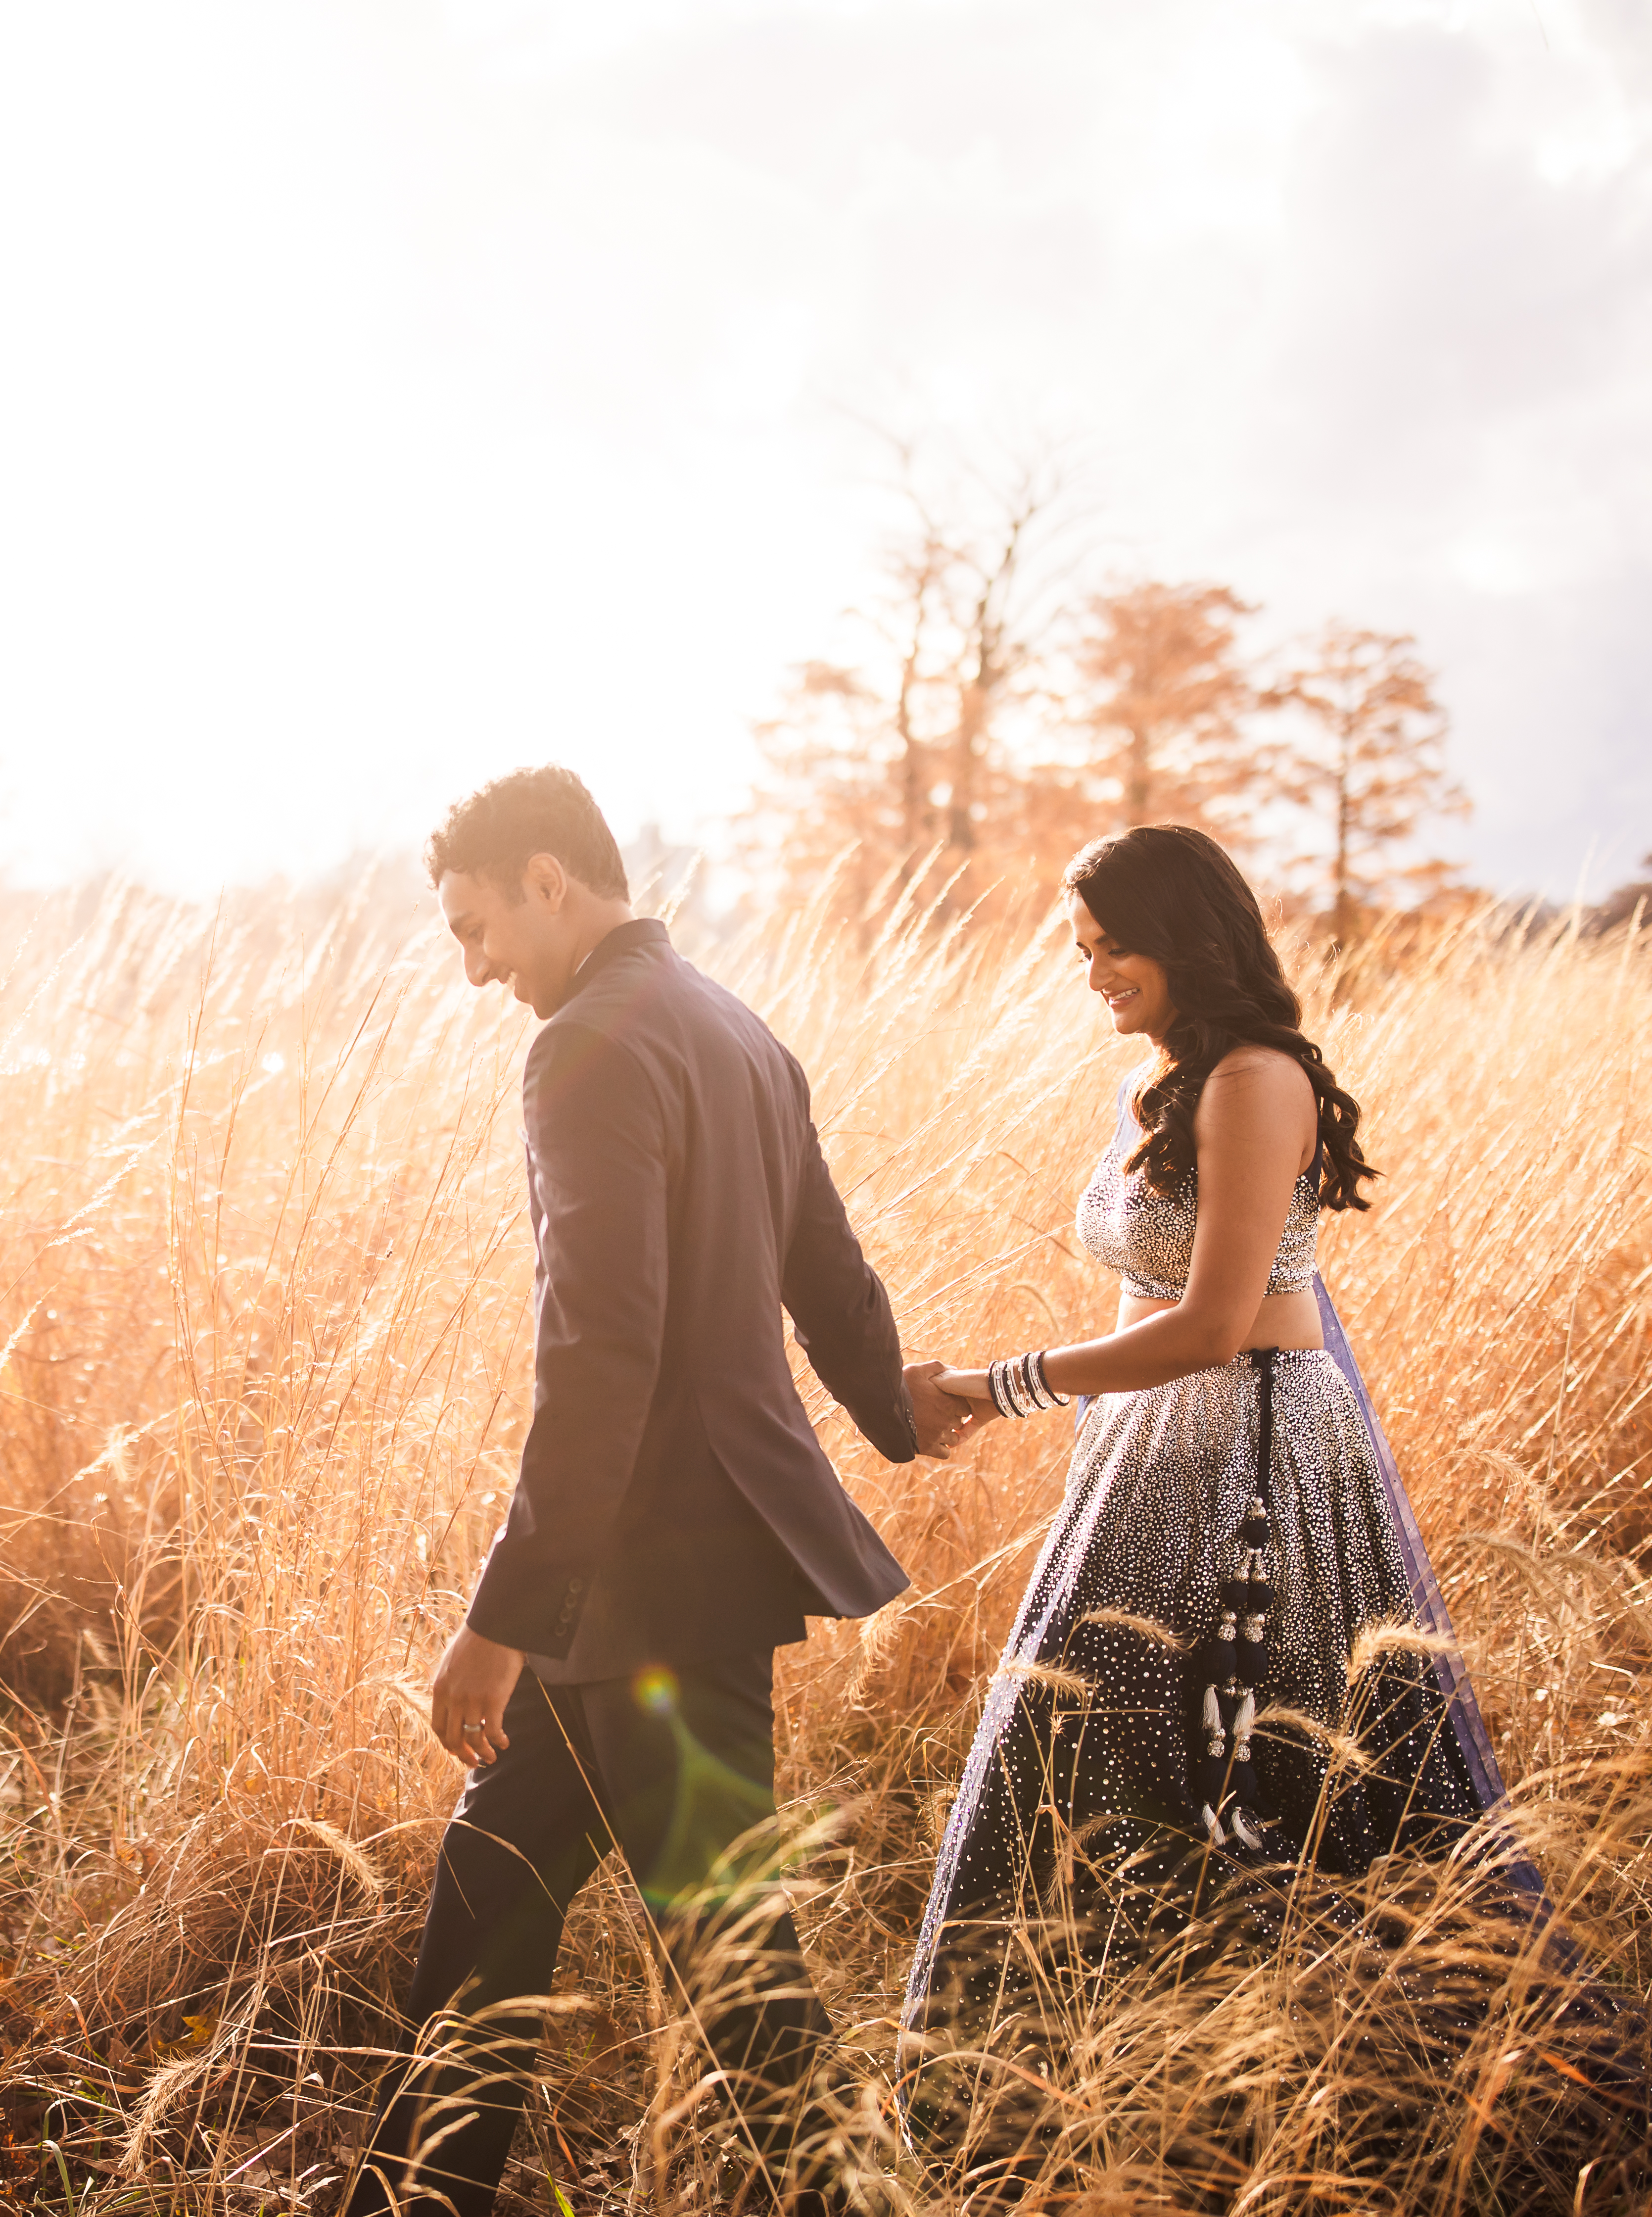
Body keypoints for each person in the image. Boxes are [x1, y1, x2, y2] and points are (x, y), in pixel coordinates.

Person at [344, 767, 929, 2217]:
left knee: (742, 1976)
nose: (476, 971)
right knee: (487, 1904)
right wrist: (898, 1414)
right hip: (655, 1579)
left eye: (479, 930)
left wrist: (499, 1617)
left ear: (552, 880)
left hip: (652, 1586)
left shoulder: (589, 1046)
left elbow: (601, 1362)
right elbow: (829, 1276)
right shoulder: (737, 1028)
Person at [899, 824, 1516, 2022]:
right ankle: (1114, 2045)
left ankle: (1344, 2052)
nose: (1095, 976)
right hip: (1150, 1453)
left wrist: (989, 1386)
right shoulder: (1156, 1081)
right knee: (1098, 1736)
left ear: (1190, 936)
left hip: (1260, 1453)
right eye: (1082, 951)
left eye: (1118, 947)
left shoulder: (1255, 1081)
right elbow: (1148, 1306)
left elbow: (1214, 1325)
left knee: (1273, 1757)